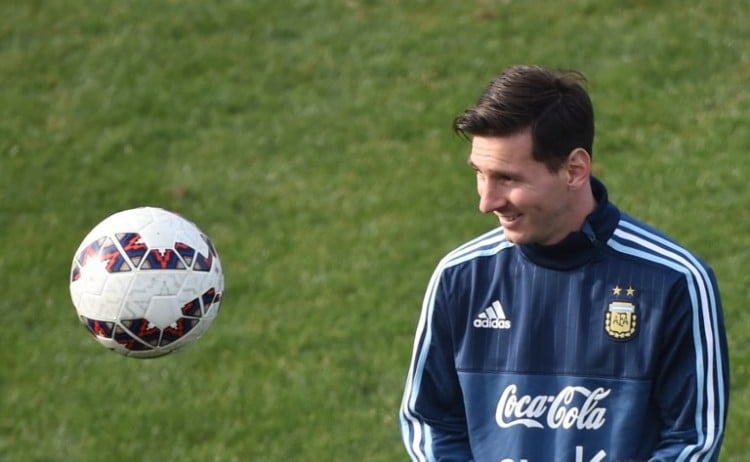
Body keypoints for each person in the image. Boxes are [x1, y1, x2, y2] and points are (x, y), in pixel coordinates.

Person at [399, 65, 729, 461]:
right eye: (480, 174)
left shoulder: (673, 280)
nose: (486, 202)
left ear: (574, 170)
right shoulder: (460, 278)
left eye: (507, 179)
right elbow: (431, 422)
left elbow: (692, 440)